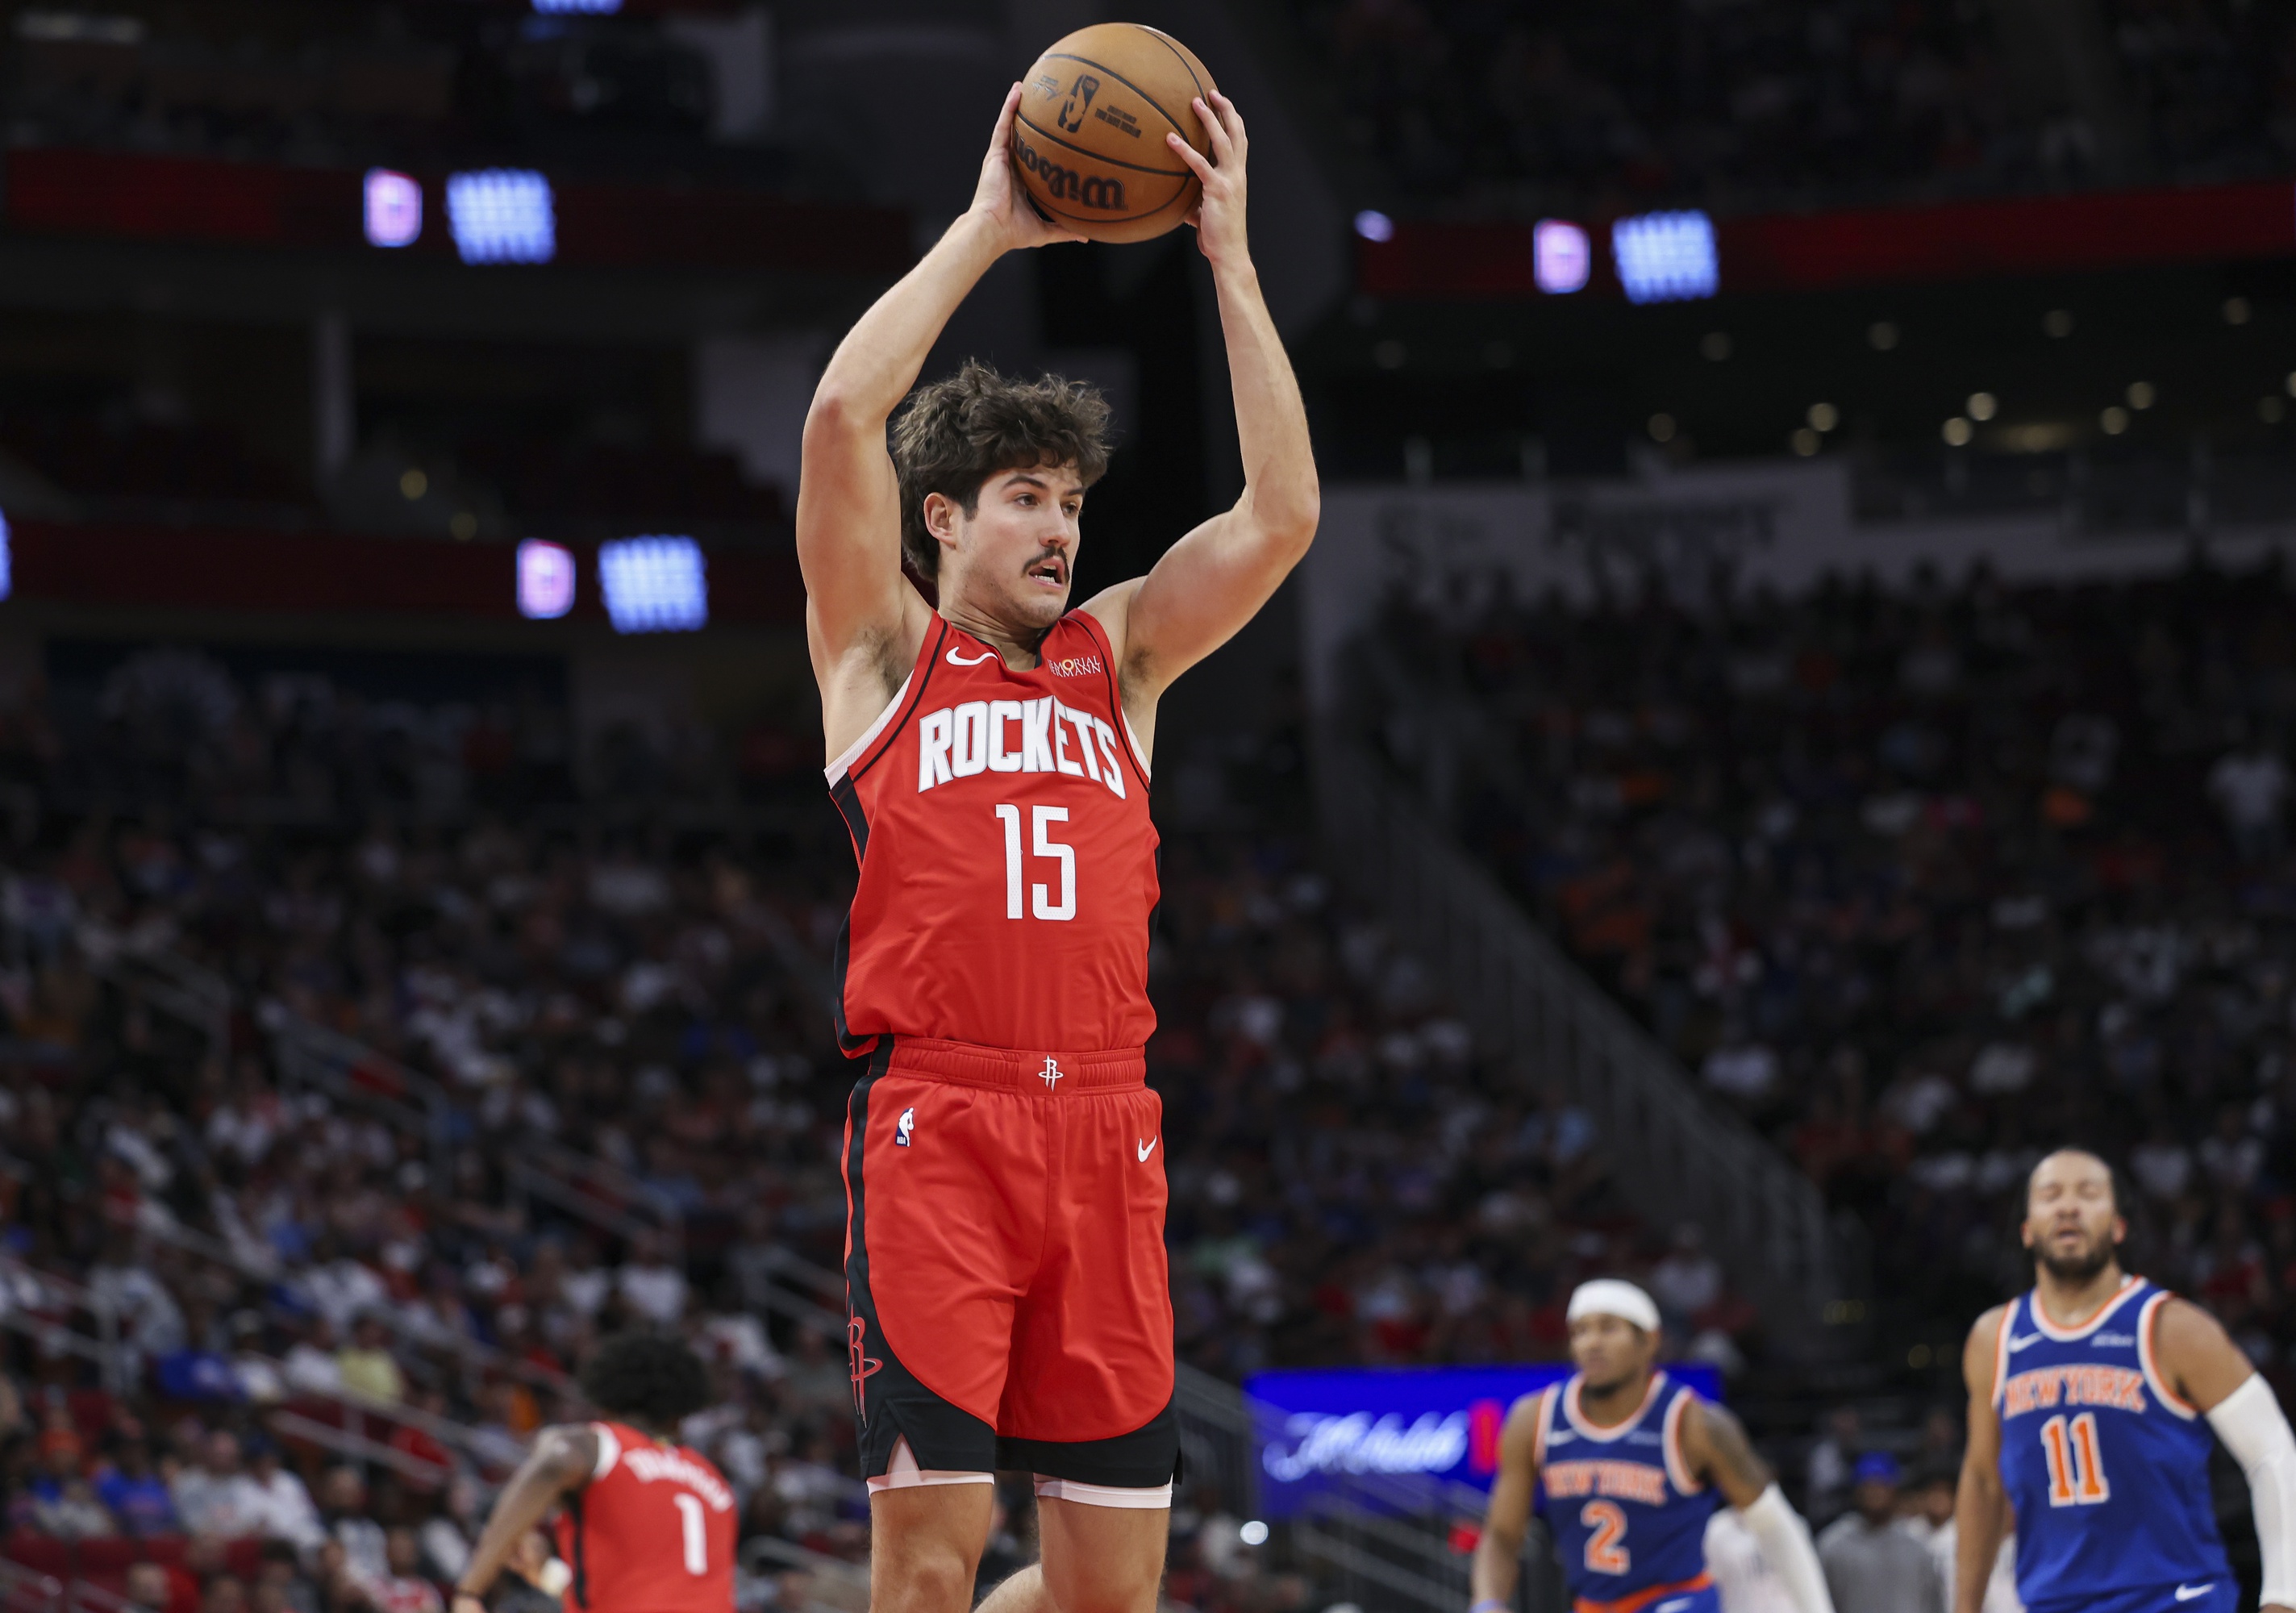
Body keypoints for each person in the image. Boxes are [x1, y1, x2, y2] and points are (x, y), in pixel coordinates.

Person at [797, 56, 1317, 1613]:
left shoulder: (1123, 660)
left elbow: (1280, 515)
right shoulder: (883, 656)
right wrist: (985, 231)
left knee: (1106, 1597)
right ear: (945, 518)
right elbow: (840, 416)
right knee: (928, 1571)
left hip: (1107, 1128)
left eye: (1072, 505)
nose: (1060, 528)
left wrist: (1229, 263)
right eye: (1025, 498)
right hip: (939, 1130)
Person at [1954, 1148, 2296, 1613]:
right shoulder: (1994, 1339)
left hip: (2174, 1601)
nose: (2068, 1206)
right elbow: (1982, 1480)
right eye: (2050, 1195)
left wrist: (2283, 1597)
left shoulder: (2172, 1327)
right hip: (2052, 1603)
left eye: (2089, 1193)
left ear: (2119, 1226)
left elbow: (2272, 1450)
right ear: (2027, 1231)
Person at [1471, 1280, 1836, 1613]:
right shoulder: (1534, 1420)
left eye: (1608, 1328)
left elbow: (1776, 1525)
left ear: (1648, 1341)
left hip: (1677, 1600)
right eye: (1581, 1331)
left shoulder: (1696, 1423)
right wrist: (1488, 1601)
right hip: (1593, 1605)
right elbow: (1502, 1534)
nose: (1592, 1342)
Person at [451, 1332, 731, 1613]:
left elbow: (553, 1462)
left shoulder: (604, 1444)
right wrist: (547, 1573)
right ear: (679, 1413)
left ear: (606, 1396)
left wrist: (470, 1590)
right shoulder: (714, 1482)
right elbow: (654, 1590)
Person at [1816, 1453, 1943, 1613]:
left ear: (1894, 1489)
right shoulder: (1832, 1545)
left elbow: (1933, 1604)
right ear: (1857, 1490)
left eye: (1882, 1485)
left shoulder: (1917, 1548)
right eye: (1869, 1485)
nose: (1875, 1492)